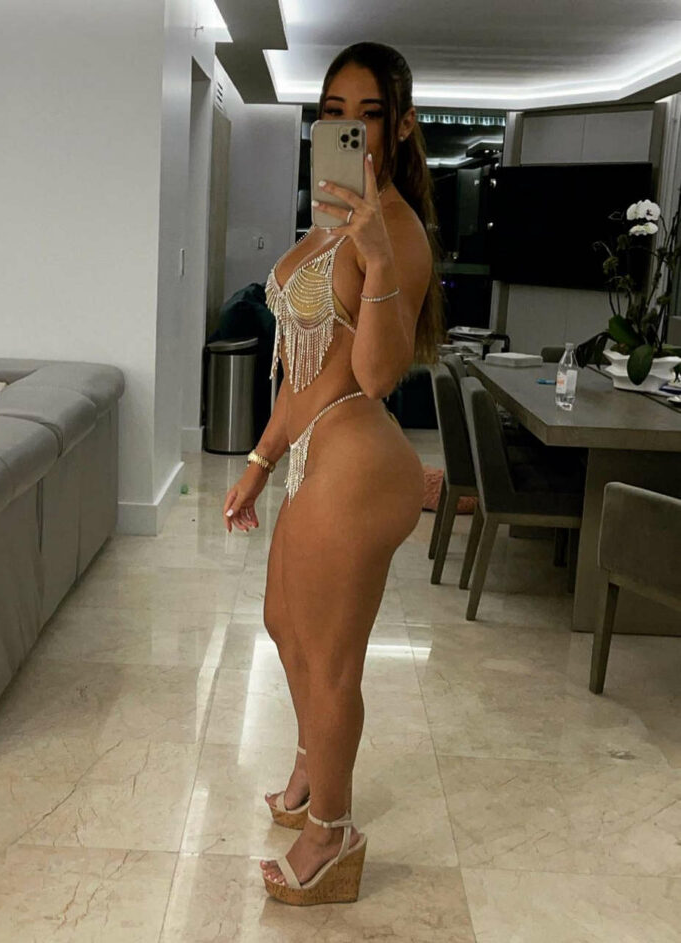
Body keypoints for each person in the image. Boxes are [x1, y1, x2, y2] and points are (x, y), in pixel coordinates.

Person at [221, 41, 445, 906]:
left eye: (370, 115)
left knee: (329, 661)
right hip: (317, 449)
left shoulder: (396, 229)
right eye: (334, 112)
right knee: (283, 624)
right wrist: (260, 459)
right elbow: (306, 371)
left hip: (358, 461)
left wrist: (380, 259)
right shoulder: (333, 217)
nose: (350, 128)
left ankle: (333, 833)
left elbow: (376, 375)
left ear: (402, 126)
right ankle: (315, 765)